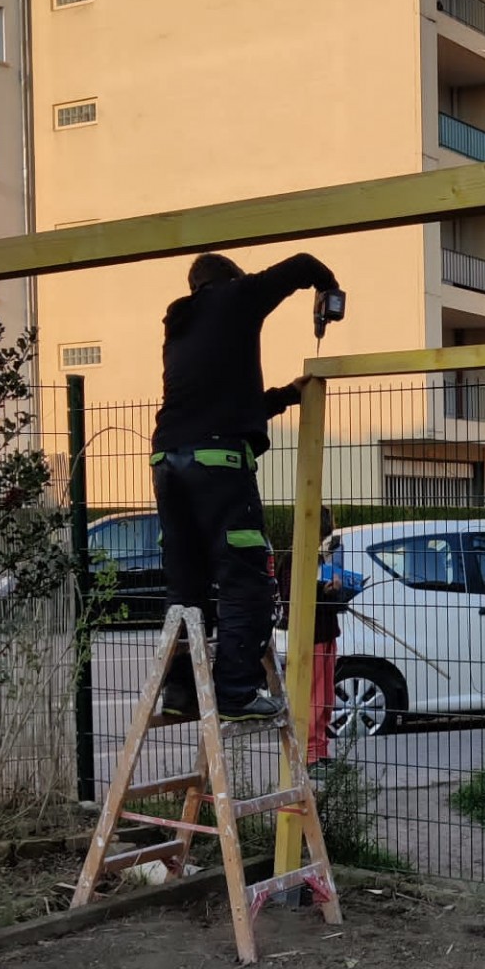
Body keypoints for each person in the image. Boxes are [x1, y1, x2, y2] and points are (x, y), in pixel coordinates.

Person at [151, 249, 342, 722]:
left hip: (167, 459)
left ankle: (180, 693)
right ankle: (236, 692)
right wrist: (328, 290)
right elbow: (301, 264)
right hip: (217, 461)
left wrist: (284, 397)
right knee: (248, 579)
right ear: (230, 278)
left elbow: (226, 402)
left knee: (187, 585)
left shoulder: (180, 326)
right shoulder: (237, 297)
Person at [275, 506, 363, 769]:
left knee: (325, 698)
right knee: (313, 697)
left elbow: (321, 599)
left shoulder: (319, 558)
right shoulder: (294, 558)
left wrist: (338, 593)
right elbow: (294, 600)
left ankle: (322, 751)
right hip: (308, 638)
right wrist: (321, 591)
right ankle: (310, 754)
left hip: (325, 634)